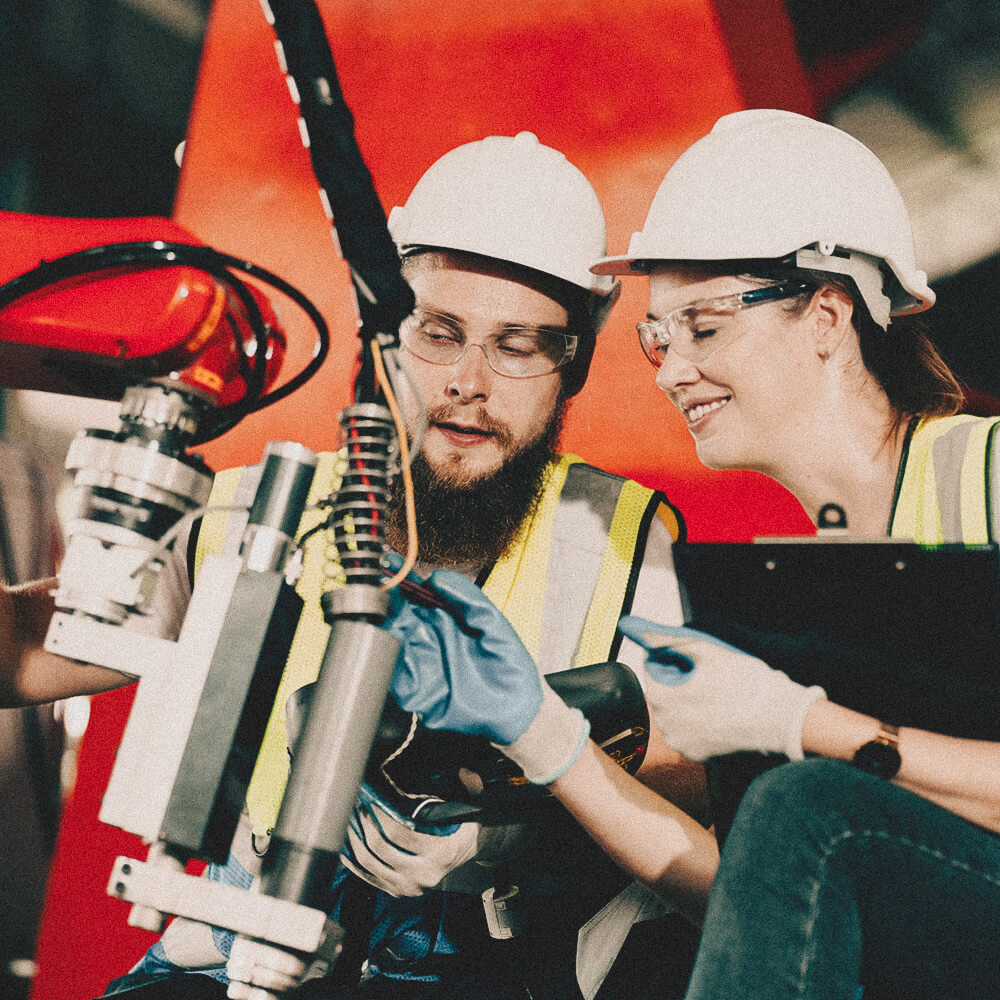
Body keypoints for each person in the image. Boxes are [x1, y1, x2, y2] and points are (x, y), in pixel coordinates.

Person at [1, 132, 717, 999]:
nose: (468, 380)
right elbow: (31, 648)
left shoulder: (623, 538)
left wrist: (517, 838)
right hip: (233, 955)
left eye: (518, 345)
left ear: (576, 364)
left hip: (482, 967)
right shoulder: (248, 514)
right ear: (386, 334)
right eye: (440, 333)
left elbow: (694, 783)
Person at [384, 110, 998, 1000]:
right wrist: (544, 736)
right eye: (657, 337)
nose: (670, 371)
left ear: (828, 315)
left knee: (800, 805)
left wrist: (802, 728)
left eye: (703, 328)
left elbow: (823, 820)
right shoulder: (813, 572)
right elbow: (744, 893)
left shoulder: (983, 473)